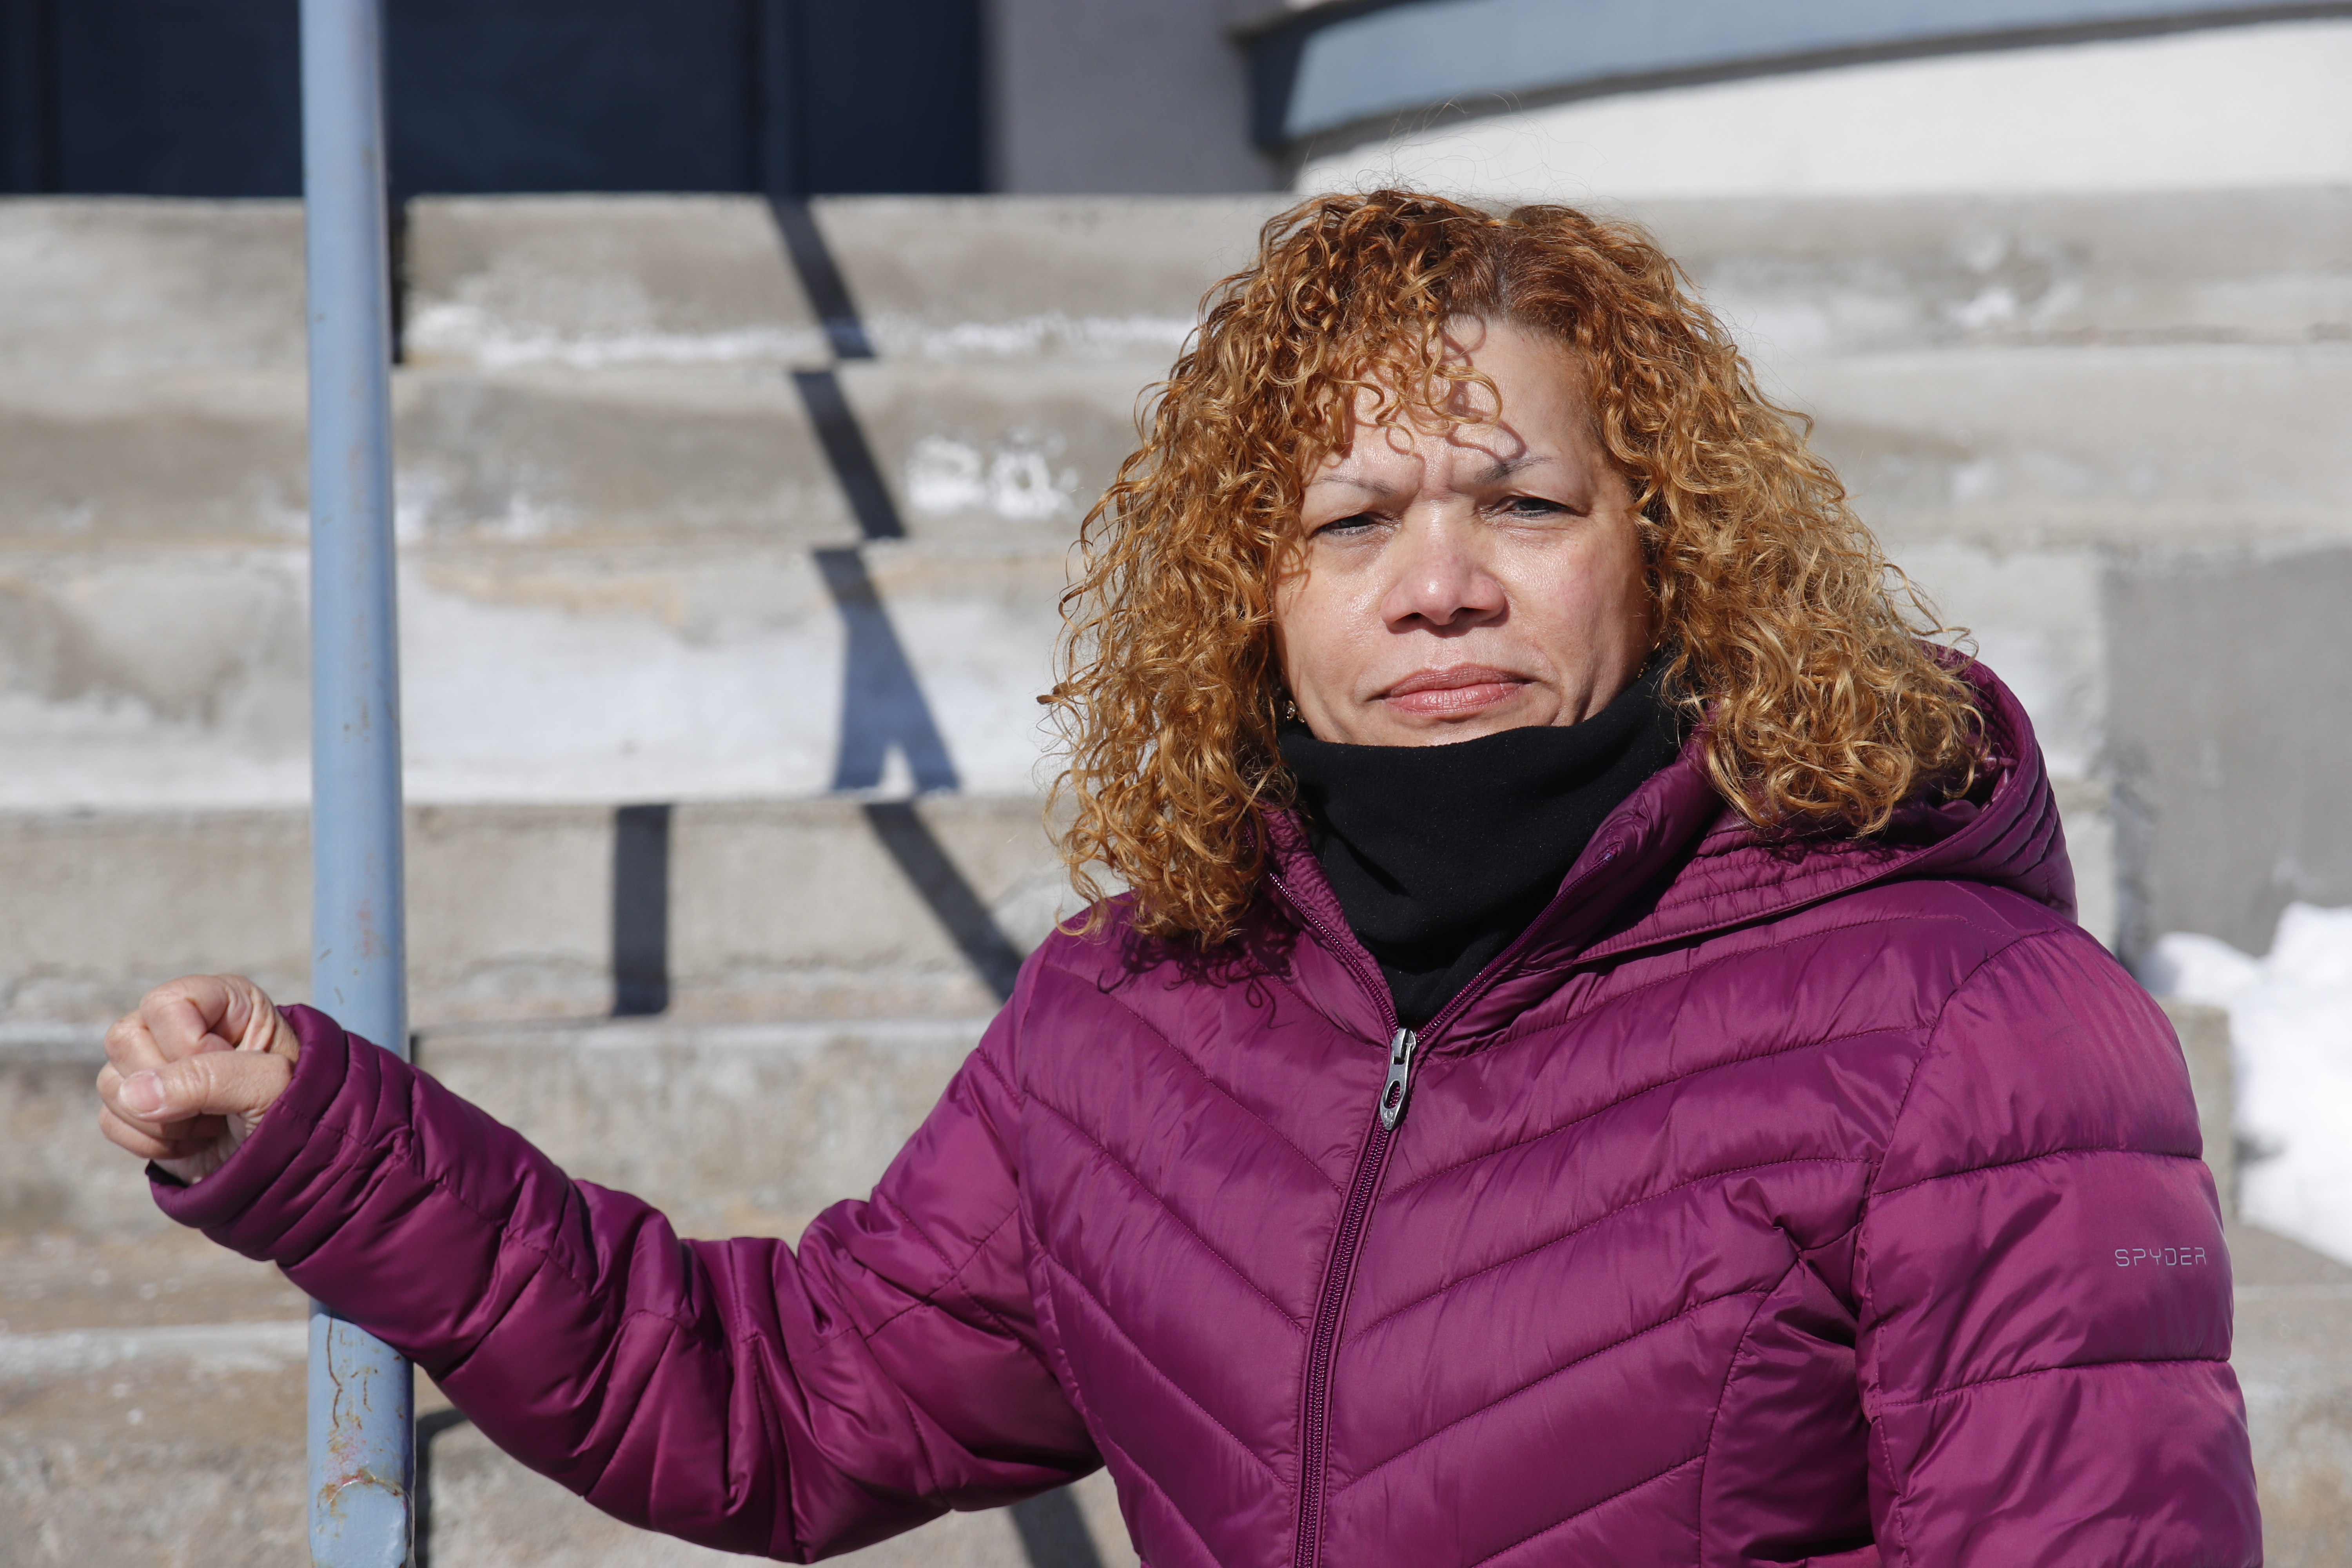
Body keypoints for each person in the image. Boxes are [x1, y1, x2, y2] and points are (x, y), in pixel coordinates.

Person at [96, 191, 2258, 1567]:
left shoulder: (1974, 1030)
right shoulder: (1136, 1021)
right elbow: (774, 1411)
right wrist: (323, 1145)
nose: (1436, 586)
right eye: (1347, 524)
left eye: (1519, 504)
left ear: (1669, 548)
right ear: (1256, 600)